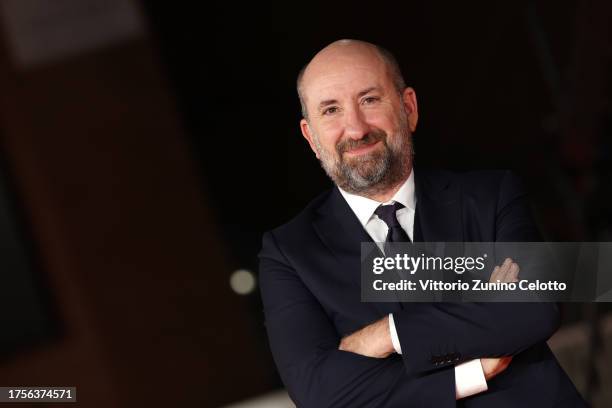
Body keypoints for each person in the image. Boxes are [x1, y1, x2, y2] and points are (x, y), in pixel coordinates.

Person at [258, 39, 586, 407]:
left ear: (408, 108)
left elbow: (536, 308)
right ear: (311, 137)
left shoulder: (491, 196)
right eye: (331, 110)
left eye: (369, 99)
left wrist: (387, 335)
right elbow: (319, 394)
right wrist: (472, 371)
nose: (355, 128)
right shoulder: (289, 253)